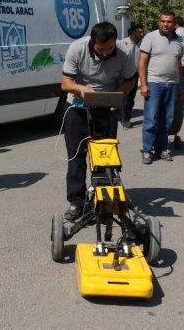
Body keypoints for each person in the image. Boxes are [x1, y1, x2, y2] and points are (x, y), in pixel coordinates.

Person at [61, 21, 136, 221]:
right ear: (92, 43)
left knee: (105, 155)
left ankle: (104, 199)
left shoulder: (124, 52)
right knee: (76, 157)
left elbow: (130, 80)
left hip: (107, 107)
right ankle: (77, 202)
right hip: (77, 108)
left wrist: (118, 97)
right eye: (101, 49)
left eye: (109, 48)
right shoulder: (77, 49)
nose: (105, 53)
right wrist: (81, 89)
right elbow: (65, 83)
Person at [138, 10, 183, 165]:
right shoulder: (150, 37)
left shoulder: (179, 40)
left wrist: (180, 86)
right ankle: (147, 150)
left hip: (172, 84)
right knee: (151, 119)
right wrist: (143, 84)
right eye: (163, 21)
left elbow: (178, 64)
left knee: (167, 119)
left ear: (174, 23)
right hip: (154, 83)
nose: (165, 24)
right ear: (159, 22)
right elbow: (142, 62)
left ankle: (162, 148)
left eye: (169, 22)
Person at [119, 24, 145, 128]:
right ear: (133, 32)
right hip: (124, 74)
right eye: (139, 32)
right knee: (123, 97)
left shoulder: (143, 43)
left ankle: (126, 118)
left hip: (135, 74)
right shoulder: (123, 42)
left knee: (130, 99)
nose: (141, 34)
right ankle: (122, 118)